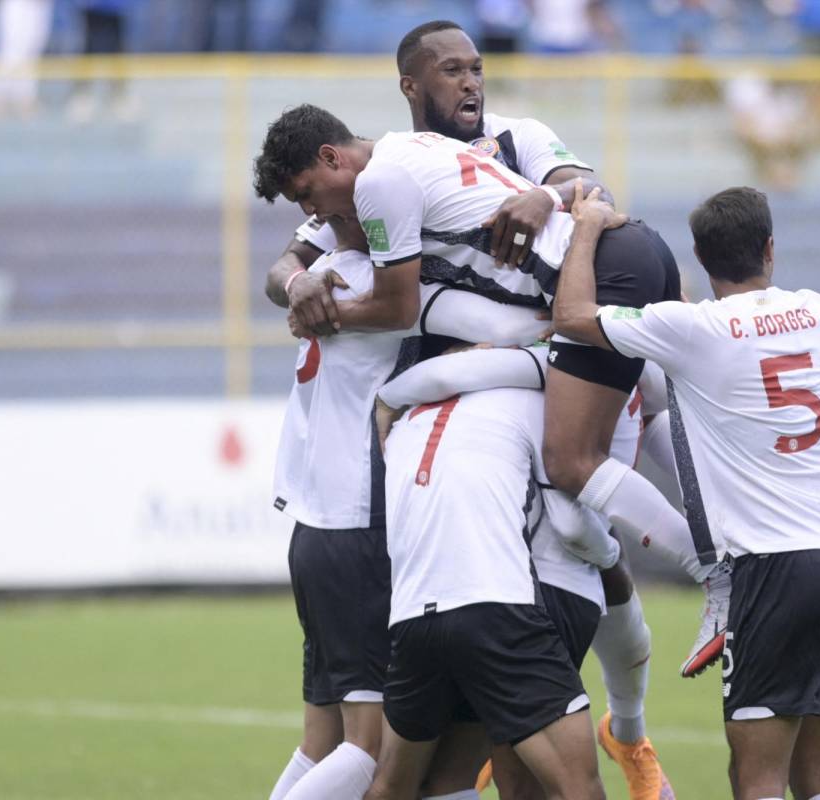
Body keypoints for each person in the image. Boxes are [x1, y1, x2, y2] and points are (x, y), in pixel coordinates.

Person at [254, 34, 687, 787]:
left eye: (476, 69)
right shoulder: (370, 197)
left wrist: (545, 197)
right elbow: (298, 256)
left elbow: (599, 201)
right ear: (410, 86)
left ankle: (646, 700)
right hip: (448, 438)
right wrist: (298, 286)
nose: (470, 84)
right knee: (577, 516)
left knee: (596, 475)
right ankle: (673, 625)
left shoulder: (512, 140)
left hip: (547, 327)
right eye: (452, 71)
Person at [552, 182, 820, 800]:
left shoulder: (692, 329)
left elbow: (570, 316)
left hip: (777, 568)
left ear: (701, 261)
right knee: (818, 773)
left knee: (754, 777)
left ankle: (709, 574)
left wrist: (585, 227)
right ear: (770, 248)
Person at [264, 216, 547, 800]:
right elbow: (506, 324)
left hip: (317, 529)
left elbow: (281, 270)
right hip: (362, 525)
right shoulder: (390, 290)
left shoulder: (320, 275)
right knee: (368, 755)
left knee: (323, 745)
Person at [366, 377, 607, 800]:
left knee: (397, 786)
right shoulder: (527, 399)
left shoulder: (404, 421)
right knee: (577, 788)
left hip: (412, 620)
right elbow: (570, 520)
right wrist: (612, 551)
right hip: (495, 608)